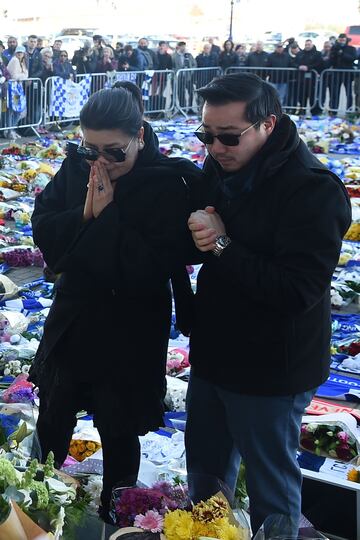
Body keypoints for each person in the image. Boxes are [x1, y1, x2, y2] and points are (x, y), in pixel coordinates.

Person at [185, 72, 351, 537]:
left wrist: (221, 246)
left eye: (228, 136)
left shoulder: (313, 189)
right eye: (206, 135)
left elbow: (298, 291)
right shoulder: (223, 166)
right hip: (216, 354)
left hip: (271, 368)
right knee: (205, 475)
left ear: (268, 125)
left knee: (271, 488)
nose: (215, 148)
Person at [29, 81, 202, 522]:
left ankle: (118, 516)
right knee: (53, 416)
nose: (100, 162)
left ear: (140, 136)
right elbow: (47, 230)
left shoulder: (167, 182)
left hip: (130, 325)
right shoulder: (77, 167)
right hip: (76, 314)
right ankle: (32, 504)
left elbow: (147, 266)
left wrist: (107, 217)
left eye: (113, 152)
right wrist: (85, 213)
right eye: (91, 149)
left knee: (118, 427)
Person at [329, 33, 357, 112]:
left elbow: (353, 58)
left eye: (343, 40)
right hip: (336, 74)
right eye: (340, 40)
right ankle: (333, 110)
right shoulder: (334, 48)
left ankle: (349, 110)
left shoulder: (351, 48)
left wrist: (342, 54)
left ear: (346, 40)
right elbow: (331, 60)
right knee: (335, 93)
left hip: (347, 74)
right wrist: (335, 53)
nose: (341, 42)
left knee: (348, 93)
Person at [6, 45, 28, 139]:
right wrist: (22, 76)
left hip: (17, 88)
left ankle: (11, 129)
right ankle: (10, 130)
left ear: (24, 54)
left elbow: (26, 74)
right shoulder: (15, 60)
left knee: (17, 110)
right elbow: (14, 76)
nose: (19, 54)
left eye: (21, 52)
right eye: (18, 52)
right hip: (12, 88)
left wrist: (22, 76)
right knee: (13, 109)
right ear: (16, 53)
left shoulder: (22, 62)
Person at [295, 39, 322, 115]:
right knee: (301, 96)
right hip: (301, 79)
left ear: (312, 45)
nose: (307, 46)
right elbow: (294, 63)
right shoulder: (300, 53)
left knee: (313, 96)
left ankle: (314, 112)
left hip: (313, 80)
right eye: (306, 44)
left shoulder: (317, 54)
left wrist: (308, 67)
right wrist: (299, 67)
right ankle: (302, 111)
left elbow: (319, 63)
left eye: (309, 44)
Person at [172, 41, 197, 111]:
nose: (183, 48)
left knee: (191, 92)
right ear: (178, 47)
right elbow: (172, 66)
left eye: (184, 46)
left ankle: (190, 108)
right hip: (179, 77)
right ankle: (182, 108)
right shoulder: (174, 56)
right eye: (182, 46)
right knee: (181, 93)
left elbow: (194, 64)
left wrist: (191, 71)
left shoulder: (189, 55)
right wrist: (177, 71)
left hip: (188, 77)